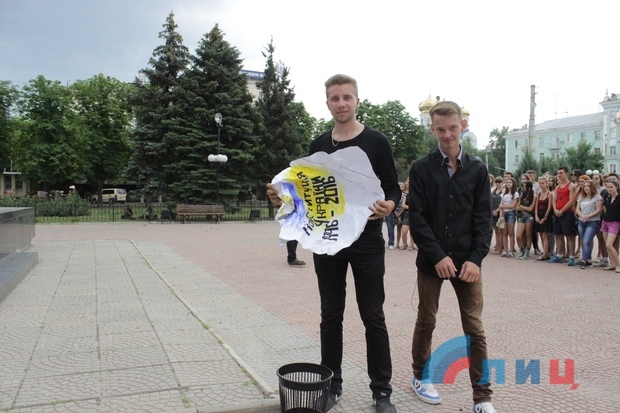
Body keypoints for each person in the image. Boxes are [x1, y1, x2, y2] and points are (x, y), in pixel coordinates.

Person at [267, 74, 400, 413]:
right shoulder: (319, 144)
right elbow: (309, 194)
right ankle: (331, 386)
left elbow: (392, 187)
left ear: (357, 101)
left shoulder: (376, 141)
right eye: (335, 98)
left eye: (347, 97)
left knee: (373, 315)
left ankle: (382, 392)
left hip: (367, 239)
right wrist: (283, 197)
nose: (341, 103)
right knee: (330, 314)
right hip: (328, 241)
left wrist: (390, 205)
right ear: (327, 103)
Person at [409, 101, 496, 413]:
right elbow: (417, 218)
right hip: (433, 261)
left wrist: (476, 259)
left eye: (453, 128)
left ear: (463, 126)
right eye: (441, 129)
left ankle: (482, 398)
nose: (447, 135)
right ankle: (421, 376)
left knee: (475, 328)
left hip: (467, 262)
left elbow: (484, 219)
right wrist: (436, 255)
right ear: (433, 129)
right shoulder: (421, 168)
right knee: (426, 319)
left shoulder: (477, 169)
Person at [548, 167, 578, 266]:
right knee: (558, 234)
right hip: (557, 213)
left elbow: (571, 201)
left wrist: (562, 210)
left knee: (569, 235)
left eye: (561, 173)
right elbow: (554, 200)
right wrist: (555, 210)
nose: (559, 175)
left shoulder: (571, 186)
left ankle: (571, 256)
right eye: (558, 173)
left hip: (567, 213)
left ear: (566, 174)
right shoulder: (557, 187)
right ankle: (559, 254)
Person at [575, 179, 602, 269]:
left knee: (586, 240)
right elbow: (577, 209)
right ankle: (588, 259)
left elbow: (598, 210)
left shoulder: (597, 197)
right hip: (582, 221)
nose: (586, 188)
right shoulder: (581, 197)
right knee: (584, 241)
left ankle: (584, 260)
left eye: (588, 186)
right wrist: (582, 215)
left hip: (592, 221)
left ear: (592, 187)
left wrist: (588, 216)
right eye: (585, 186)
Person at [600, 180, 620, 272]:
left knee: (609, 244)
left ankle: (618, 264)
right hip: (605, 221)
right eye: (608, 187)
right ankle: (612, 264)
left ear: (616, 187)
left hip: (615, 222)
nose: (609, 189)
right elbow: (603, 205)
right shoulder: (607, 196)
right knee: (606, 244)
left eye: (611, 187)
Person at [534, 177, 554, 260]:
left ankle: (546, 253)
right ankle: (544, 251)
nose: (541, 185)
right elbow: (536, 206)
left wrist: (545, 217)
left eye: (543, 183)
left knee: (545, 235)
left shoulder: (550, 194)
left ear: (546, 183)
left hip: (546, 215)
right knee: (541, 235)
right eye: (540, 184)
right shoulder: (538, 194)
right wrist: (536, 216)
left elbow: (549, 207)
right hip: (539, 214)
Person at [515, 180, 535, 259]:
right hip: (522, 217)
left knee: (528, 234)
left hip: (529, 217)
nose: (524, 188)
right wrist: (524, 208)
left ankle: (527, 252)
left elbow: (530, 209)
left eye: (525, 186)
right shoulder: (522, 195)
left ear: (529, 187)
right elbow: (517, 207)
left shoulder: (534, 196)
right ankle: (522, 250)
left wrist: (522, 207)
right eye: (523, 186)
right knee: (518, 235)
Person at [499, 177, 518, 257]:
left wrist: (503, 206)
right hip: (504, 213)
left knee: (511, 232)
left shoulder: (515, 193)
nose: (508, 184)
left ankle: (511, 250)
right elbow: (500, 205)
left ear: (513, 184)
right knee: (504, 232)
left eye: (510, 182)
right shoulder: (503, 193)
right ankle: (505, 250)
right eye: (507, 182)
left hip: (511, 213)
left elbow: (513, 205)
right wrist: (501, 215)